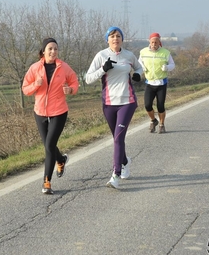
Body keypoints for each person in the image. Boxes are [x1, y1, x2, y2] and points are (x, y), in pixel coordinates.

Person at [85, 26, 143, 189]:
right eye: (112, 36)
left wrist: (138, 74)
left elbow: (138, 67)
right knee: (117, 138)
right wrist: (103, 70)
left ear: (122, 39)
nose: (115, 38)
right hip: (109, 104)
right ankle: (125, 161)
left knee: (118, 138)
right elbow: (88, 78)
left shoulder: (128, 55)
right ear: (107, 40)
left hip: (127, 102)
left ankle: (115, 175)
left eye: (118, 36)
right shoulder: (101, 56)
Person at [22, 37, 79, 194]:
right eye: (50, 49)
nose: (53, 51)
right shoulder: (35, 68)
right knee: (49, 145)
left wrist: (71, 90)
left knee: (48, 146)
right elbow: (25, 89)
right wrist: (36, 84)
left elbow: (75, 82)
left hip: (59, 112)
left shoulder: (64, 67)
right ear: (43, 51)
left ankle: (46, 182)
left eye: (55, 49)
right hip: (39, 112)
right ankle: (60, 159)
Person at [138, 32, 175, 133]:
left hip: (161, 83)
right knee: (147, 105)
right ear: (149, 42)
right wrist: (142, 67)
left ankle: (162, 125)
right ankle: (153, 120)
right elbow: (139, 62)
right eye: (152, 42)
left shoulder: (165, 53)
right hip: (149, 83)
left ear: (159, 43)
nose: (154, 44)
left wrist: (167, 67)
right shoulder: (143, 52)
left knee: (160, 106)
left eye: (156, 43)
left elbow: (172, 65)